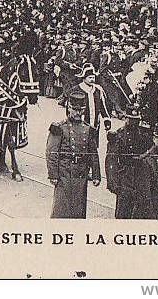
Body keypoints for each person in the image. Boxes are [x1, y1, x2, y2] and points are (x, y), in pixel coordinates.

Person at [46, 89, 101, 219]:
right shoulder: (59, 128)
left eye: (81, 110)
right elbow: (51, 153)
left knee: (78, 210)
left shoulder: (88, 129)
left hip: (81, 175)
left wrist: (96, 175)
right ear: (68, 108)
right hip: (64, 173)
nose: (78, 113)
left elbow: (93, 153)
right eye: (75, 109)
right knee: (61, 210)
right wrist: (53, 175)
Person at [105, 107, 151, 218]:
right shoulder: (118, 136)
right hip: (124, 176)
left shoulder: (142, 135)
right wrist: (113, 182)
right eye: (131, 119)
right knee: (123, 211)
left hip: (139, 177)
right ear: (125, 118)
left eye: (136, 120)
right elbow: (111, 160)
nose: (134, 122)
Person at [65, 63, 113, 131]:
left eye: (93, 77)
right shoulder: (76, 90)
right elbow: (69, 108)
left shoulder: (98, 90)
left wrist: (106, 120)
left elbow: (103, 107)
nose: (92, 80)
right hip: (80, 125)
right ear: (84, 78)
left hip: (95, 124)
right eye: (90, 78)